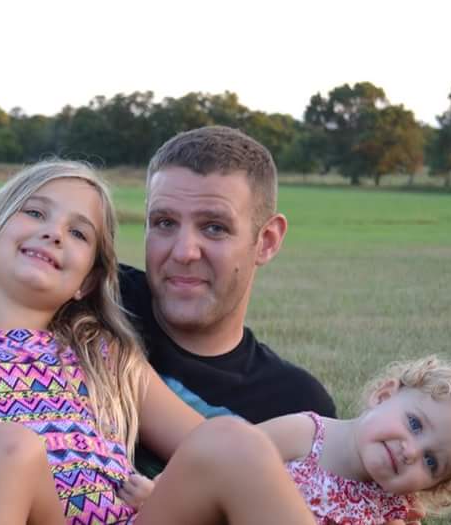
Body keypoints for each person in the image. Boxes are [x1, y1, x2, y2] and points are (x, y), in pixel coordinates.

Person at [0, 161, 321, 524]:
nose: (54, 233)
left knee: (231, 439)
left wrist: (165, 488)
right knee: (9, 447)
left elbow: (199, 444)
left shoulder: (104, 351)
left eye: (79, 234)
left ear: (87, 281)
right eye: (35, 213)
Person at [120, 125, 336, 475]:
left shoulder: (295, 406)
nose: (184, 251)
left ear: (267, 241)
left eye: (214, 228)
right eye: (164, 222)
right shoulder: (98, 302)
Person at [129, 356, 451, 525]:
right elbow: (217, 461)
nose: (411, 451)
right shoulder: (308, 433)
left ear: (432, 488)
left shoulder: (392, 511)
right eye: (414, 424)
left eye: (431, 462)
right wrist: (161, 491)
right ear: (384, 395)